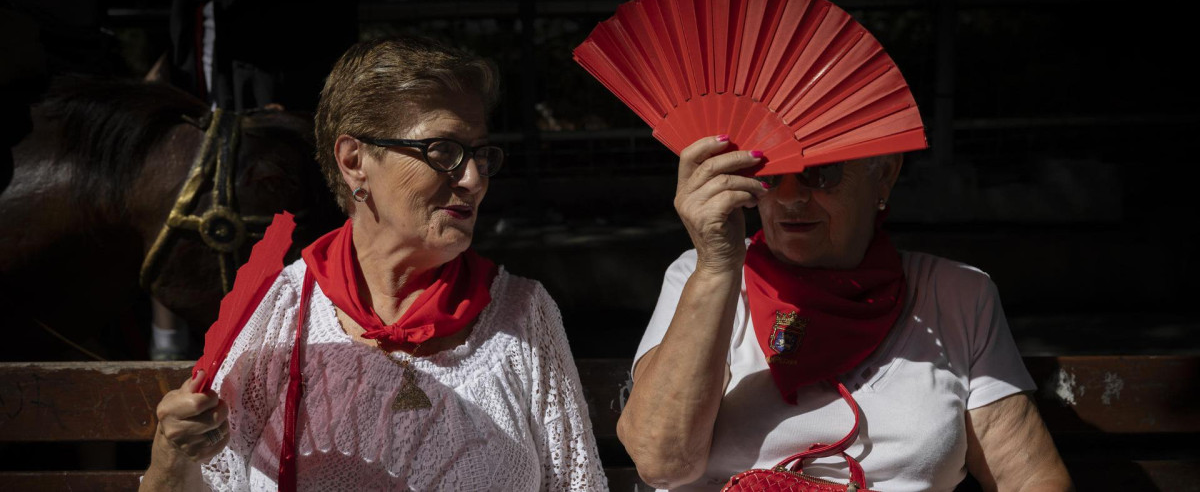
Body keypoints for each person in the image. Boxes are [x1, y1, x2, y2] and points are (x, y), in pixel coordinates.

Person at [140, 36, 607, 491]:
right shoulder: (280, 314)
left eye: (481, 155)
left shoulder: (521, 317)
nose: (472, 179)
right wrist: (172, 454)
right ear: (354, 159)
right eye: (443, 150)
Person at [618, 136, 1073, 491]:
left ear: (885, 175)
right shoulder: (701, 278)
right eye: (769, 175)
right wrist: (716, 268)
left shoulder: (956, 296)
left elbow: (1028, 479)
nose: (791, 198)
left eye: (820, 172)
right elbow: (662, 463)